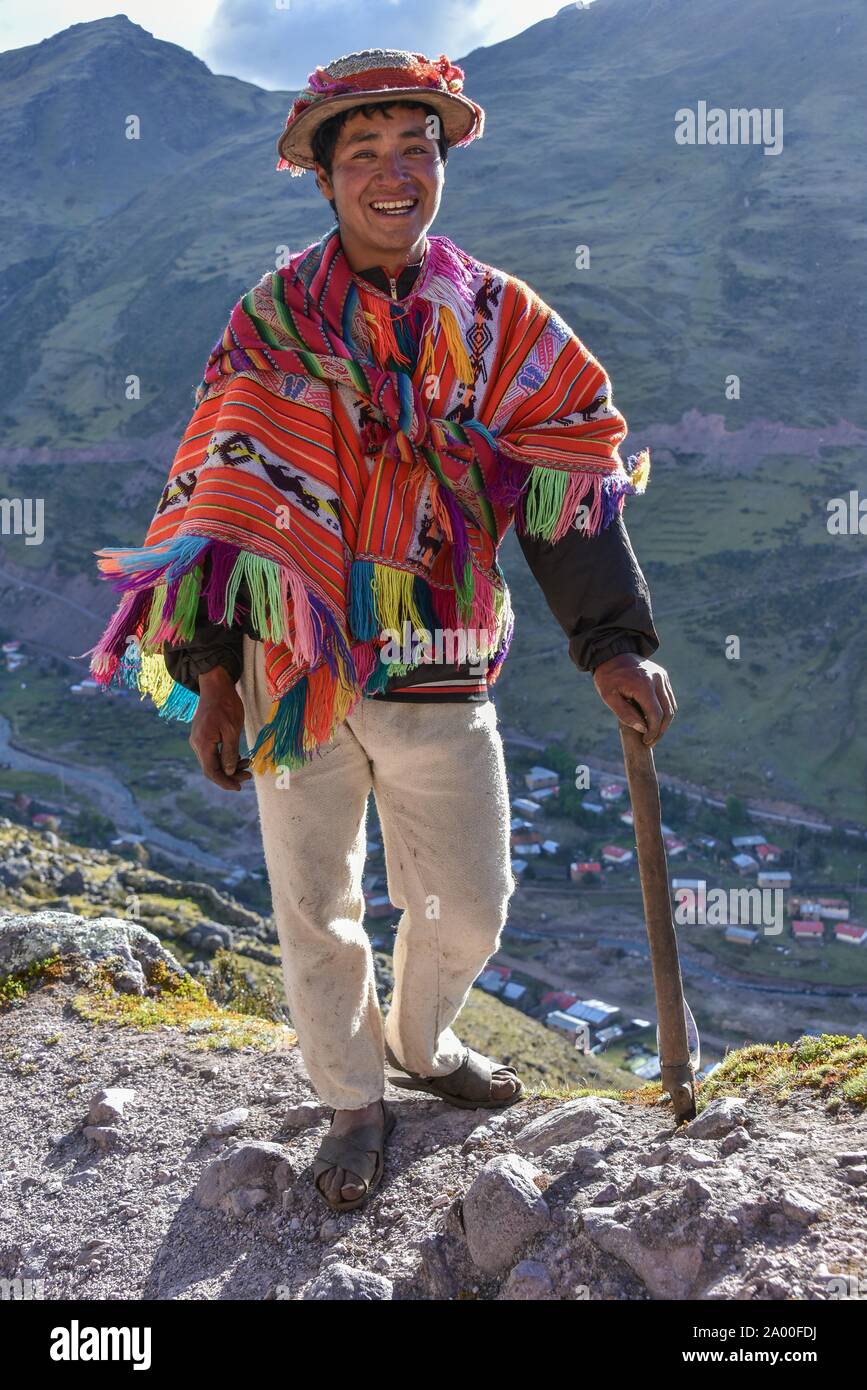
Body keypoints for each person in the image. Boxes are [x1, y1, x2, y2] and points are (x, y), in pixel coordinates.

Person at [88, 48, 676, 1213]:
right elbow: (220, 500)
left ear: (442, 164)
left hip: (444, 666)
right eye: (363, 152)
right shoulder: (267, 323)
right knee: (316, 905)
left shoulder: (503, 323)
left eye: (417, 148)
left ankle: (423, 1039)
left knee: (470, 900)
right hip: (290, 672)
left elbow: (564, 486)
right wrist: (211, 677)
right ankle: (354, 1100)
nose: (394, 173)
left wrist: (613, 639)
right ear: (321, 176)